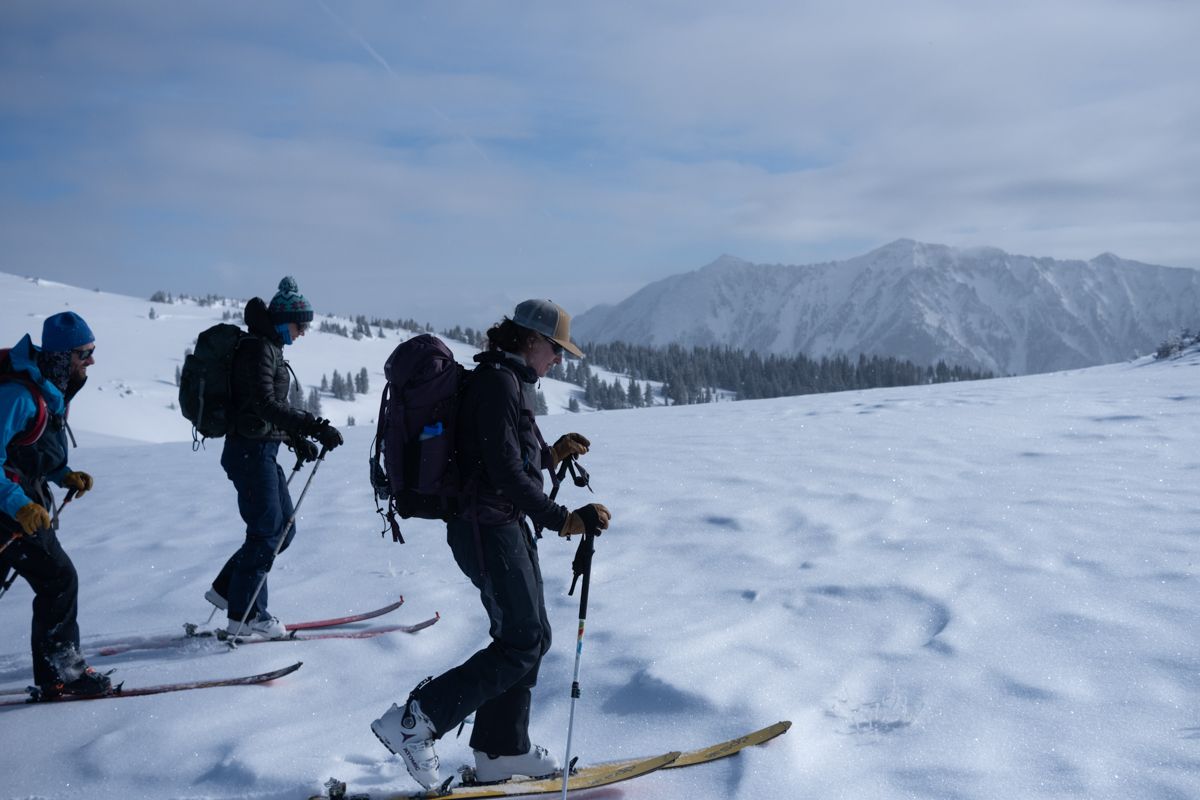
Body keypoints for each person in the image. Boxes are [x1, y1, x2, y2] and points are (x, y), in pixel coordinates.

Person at [370, 299, 611, 789]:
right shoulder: (498, 383)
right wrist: (563, 519)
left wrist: (550, 454)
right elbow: (503, 473)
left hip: (501, 524)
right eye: (556, 348)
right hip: (485, 529)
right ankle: (416, 720)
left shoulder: (507, 380)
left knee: (533, 637)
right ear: (531, 339)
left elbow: (502, 458)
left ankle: (502, 750)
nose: (558, 359)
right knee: (521, 640)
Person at [206, 277, 343, 639]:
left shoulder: (268, 347)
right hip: (249, 454)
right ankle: (247, 615)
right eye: (300, 325)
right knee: (266, 533)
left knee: (283, 530)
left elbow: (263, 410)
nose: (303, 332)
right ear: (283, 321)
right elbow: (264, 404)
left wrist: (295, 438)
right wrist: (313, 426)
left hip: (261, 450)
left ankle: (228, 589)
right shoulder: (258, 350)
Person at [0, 312, 110, 699]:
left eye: (92, 351)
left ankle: (57, 672)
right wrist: (19, 505)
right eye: (84, 353)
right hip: (11, 512)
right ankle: (63, 670)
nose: (91, 360)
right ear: (63, 356)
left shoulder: (47, 390)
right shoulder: (19, 396)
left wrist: (63, 474)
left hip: (18, 508)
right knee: (58, 580)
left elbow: (28, 452)